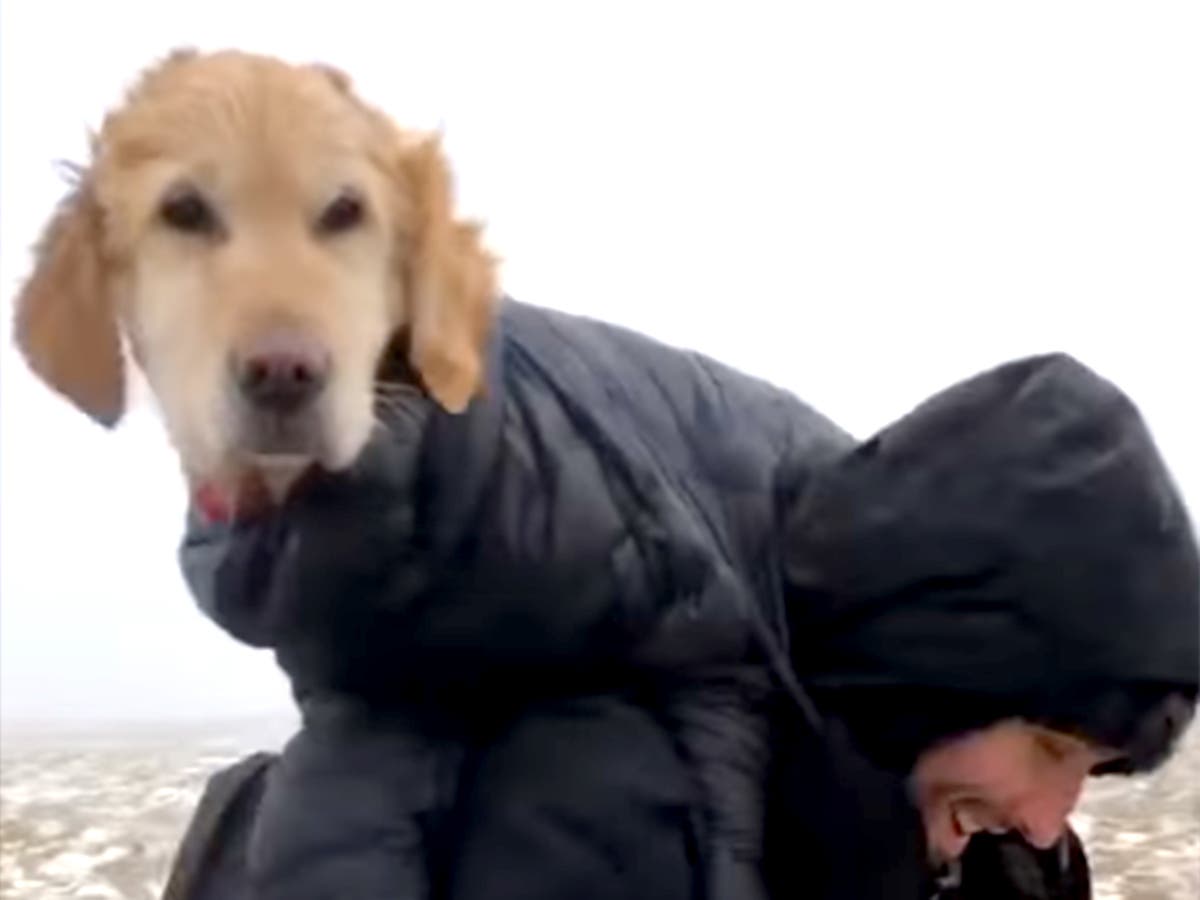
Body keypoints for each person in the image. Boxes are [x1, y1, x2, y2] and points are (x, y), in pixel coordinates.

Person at [160, 298, 1198, 899]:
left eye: (1091, 772)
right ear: (940, 666)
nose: (1051, 816)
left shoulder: (899, 809)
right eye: (1054, 750)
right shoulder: (621, 803)